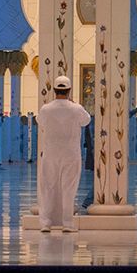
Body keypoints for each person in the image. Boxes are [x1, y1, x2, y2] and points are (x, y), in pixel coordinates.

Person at [36, 76, 90, 232]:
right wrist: (73, 104)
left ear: (54, 90)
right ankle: (67, 223)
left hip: (50, 153)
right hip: (71, 153)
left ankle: (46, 223)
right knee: (69, 188)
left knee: (48, 187)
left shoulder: (46, 109)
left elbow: (41, 122)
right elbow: (86, 121)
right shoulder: (76, 108)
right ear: (69, 90)